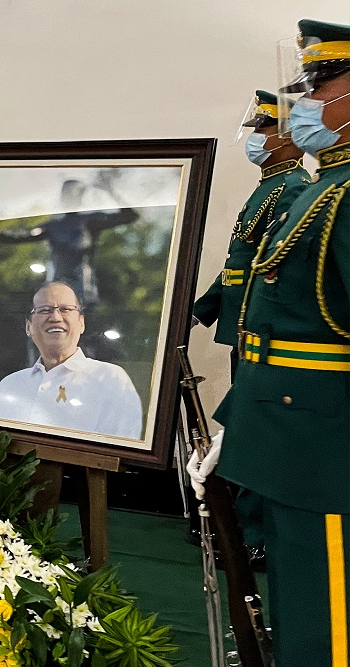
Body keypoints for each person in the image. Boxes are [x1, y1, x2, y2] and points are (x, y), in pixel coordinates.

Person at [192, 19, 350, 665]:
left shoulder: (339, 196)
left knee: (329, 622)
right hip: (291, 433)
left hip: (325, 448)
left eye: (320, 84)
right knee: (300, 604)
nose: (305, 101)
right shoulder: (322, 190)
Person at [193, 90, 311, 378]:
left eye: (261, 129)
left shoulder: (293, 187)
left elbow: (277, 266)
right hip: (244, 321)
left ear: (288, 136)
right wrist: (201, 311)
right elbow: (241, 262)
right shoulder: (270, 185)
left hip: (263, 324)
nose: (254, 137)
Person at [0, 281, 143, 438]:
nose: (55, 317)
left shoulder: (110, 379)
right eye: (45, 310)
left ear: (81, 323)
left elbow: (120, 447)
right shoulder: (9, 386)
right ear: (29, 327)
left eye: (65, 309)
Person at [0, 179, 138, 309]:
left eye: (73, 194)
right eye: (66, 195)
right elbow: (24, 235)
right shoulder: (53, 226)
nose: (68, 198)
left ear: (80, 197)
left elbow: (129, 216)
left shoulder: (90, 221)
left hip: (83, 290)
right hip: (57, 288)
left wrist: (111, 191)